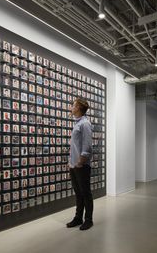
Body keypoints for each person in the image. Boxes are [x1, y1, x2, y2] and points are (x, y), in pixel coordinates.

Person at [66, 98, 93, 231]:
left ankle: (88, 220)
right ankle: (78, 218)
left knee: (85, 193)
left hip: (81, 165)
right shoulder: (77, 124)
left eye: (73, 105)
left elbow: (87, 145)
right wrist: (71, 162)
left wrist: (81, 161)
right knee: (78, 193)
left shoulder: (85, 124)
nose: (71, 107)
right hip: (74, 165)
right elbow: (75, 146)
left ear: (79, 108)